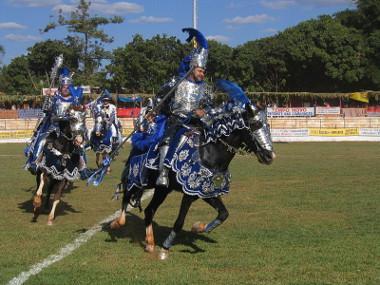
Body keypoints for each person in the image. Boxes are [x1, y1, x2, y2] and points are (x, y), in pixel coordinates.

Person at [155, 28, 213, 187]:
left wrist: (204, 111)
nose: (202, 74)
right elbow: (160, 95)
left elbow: (209, 105)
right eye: (200, 70)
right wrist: (155, 110)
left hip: (196, 121)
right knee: (167, 141)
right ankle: (163, 173)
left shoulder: (205, 88)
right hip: (177, 120)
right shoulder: (177, 82)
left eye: (204, 71)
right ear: (192, 68)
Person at [25, 66, 87, 175]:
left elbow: (80, 116)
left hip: (71, 128)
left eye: (68, 86)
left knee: (79, 144)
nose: (66, 88)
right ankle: (35, 162)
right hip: (54, 127)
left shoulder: (75, 100)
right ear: (60, 86)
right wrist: (47, 101)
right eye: (63, 86)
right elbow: (48, 111)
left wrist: (77, 122)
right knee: (42, 140)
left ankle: (81, 166)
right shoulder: (55, 98)